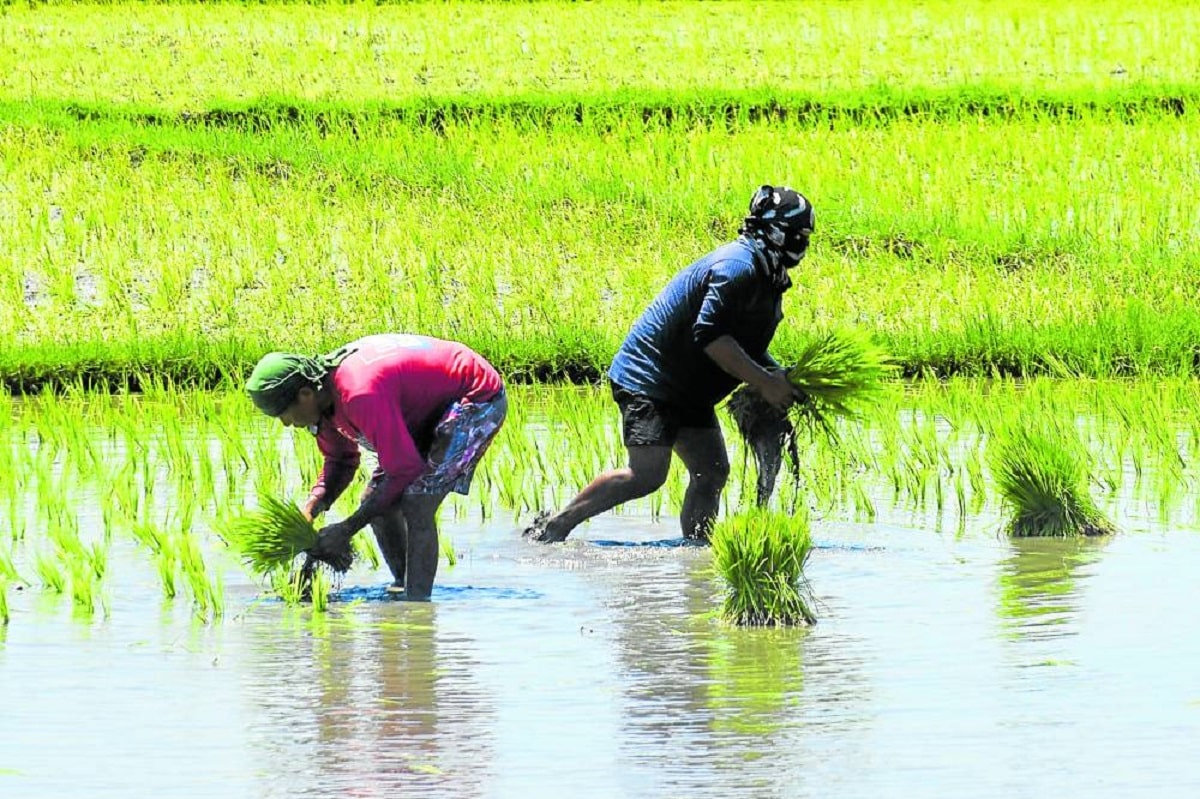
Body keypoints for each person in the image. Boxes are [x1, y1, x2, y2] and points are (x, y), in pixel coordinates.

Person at [525, 185, 814, 543]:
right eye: (798, 235)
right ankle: (555, 526)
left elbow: (747, 345)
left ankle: (696, 553)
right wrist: (767, 384)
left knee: (711, 472)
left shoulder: (766, 274)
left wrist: (781, 376)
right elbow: (711, 336)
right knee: (646, 474)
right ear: (774, 231)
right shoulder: (737, 267)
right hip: (650, 379)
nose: (803, 244)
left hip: (688, 390)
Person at [245, 333, 507, 600]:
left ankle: (417, 608)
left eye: (283, 414)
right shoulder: (323, 403)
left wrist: (346, 529)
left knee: (418, 502)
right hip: (422, 406)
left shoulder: (358, 394)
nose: (286, 424)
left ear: (305, 393)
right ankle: (402, 584)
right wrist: (309, 512)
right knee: (376, 500)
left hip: (474, 395)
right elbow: (341, 461)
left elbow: (404, 469)